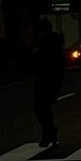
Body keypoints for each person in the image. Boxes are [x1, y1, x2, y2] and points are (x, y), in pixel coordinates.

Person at [31, 18, 64, 147]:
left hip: (46, 81)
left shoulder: (46, 45)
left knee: (40, 108)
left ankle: (48, 133)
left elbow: (39, 62)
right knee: (44, 108)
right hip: (53, 80)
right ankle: (49, 133)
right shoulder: (55, 43)